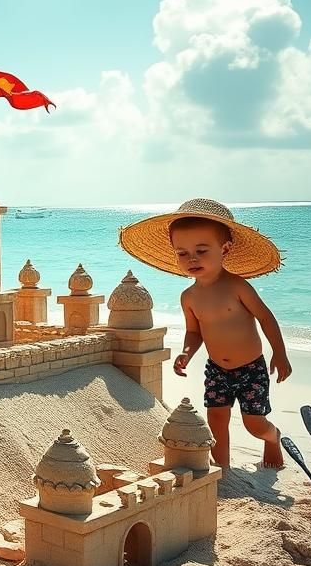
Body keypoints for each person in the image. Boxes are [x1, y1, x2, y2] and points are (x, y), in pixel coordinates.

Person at [119, 198, 291, 470]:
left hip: (251, 369)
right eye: (182, 253)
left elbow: (265, 318)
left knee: (254, 424)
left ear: (225, 249)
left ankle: (273, 438)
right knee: (216, 420)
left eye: (201, 250)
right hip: (216, 370)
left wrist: (279, 353)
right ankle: (222, 467)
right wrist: (187, 353)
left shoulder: (238, 286)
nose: (192, 259)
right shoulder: (189, 296)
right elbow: (194, 331)